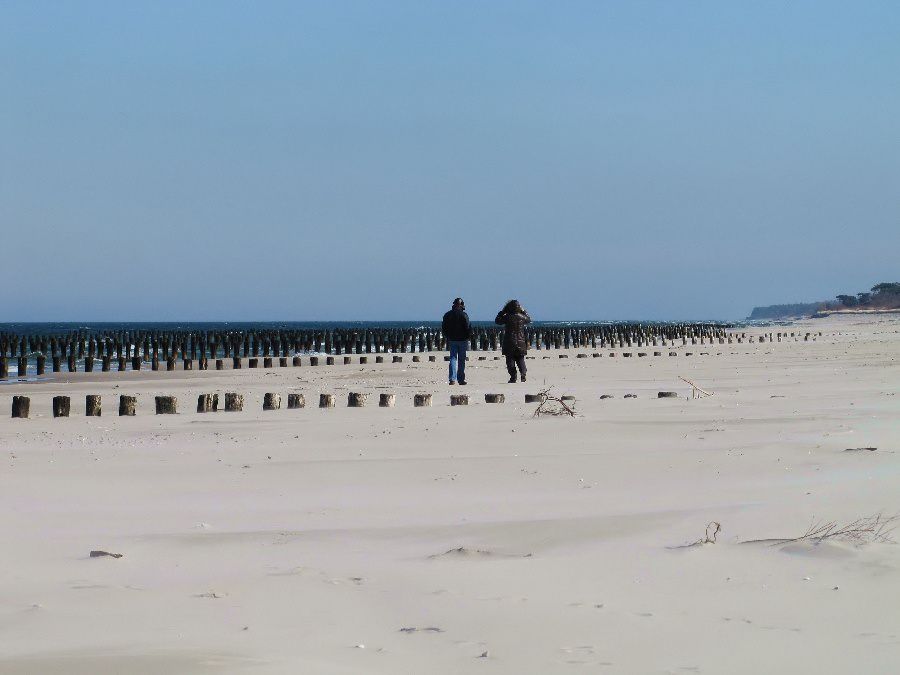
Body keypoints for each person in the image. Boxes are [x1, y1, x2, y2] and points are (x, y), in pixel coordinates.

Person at [495, 299, 531, 383]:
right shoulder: (522, 317)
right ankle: (523, 373)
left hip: (509, 342)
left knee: (510, 361)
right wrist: (523, 311)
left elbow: (497, 321)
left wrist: (501, 312)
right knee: (520, 359)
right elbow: (528, 319)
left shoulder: (507, 317)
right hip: (521, 342)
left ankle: (513, 377)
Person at [442, 297, 471, 385]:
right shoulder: (464, 315)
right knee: (461, 360)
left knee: (453, 358)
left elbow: (444, 328)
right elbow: (468, 327)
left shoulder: (447, 315)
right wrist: (468, 337)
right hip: (462, 340)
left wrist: (447, 336)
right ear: (461, 305)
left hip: (452, 339)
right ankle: (461, 379)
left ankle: (452, 378)